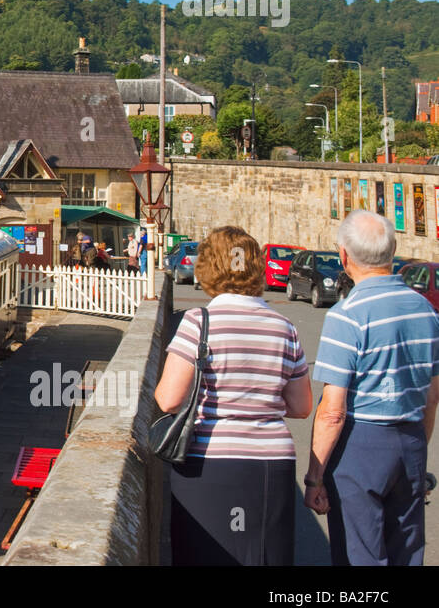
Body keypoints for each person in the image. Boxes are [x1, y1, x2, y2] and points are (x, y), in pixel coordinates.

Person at [153, 225, 312, 565]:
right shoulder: (285, 326)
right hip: (273, 462)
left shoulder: (199, 322)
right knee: (265, 556)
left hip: (212, 460)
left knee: (207, 556)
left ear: (209, 267)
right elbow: (301, 406)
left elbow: (168, 399)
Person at [306, 210, 439, 565]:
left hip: (361, 443)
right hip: (410, 439)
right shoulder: (426, 311)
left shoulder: (347, 315)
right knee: (407, 552)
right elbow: (431, 395)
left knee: (360, 554)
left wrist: (314, 478)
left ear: (344, 256)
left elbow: (333, 410)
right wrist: (416, 451)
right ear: (392, 252)